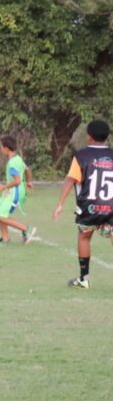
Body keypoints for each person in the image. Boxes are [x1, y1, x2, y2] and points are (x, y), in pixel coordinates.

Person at [53, 119, 113, 290]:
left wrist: (60, 204)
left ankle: (84, 279)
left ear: (89, 137)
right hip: (111, 207)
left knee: (84, 237)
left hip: (89, 207)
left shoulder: (81, 156)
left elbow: (70, 180)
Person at [0, 135, 36, 245]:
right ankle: (5, 239)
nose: (0, 149)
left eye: (1, 147)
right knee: (0, 212)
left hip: (14, 192)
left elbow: (17, 181)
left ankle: (26, 229)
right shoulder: (17, 159)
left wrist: (3, 187)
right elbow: (27, 170)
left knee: (0, 216)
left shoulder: (12, 163)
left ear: (6, 148)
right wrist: (28, 182)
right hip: (13, 191)